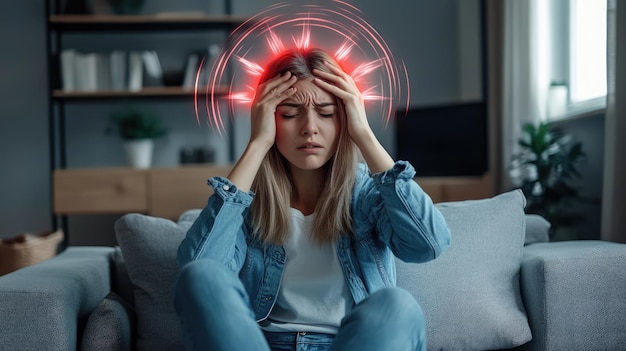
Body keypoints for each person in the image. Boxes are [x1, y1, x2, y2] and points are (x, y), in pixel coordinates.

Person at [174, 48, 451, 351]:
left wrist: (363, 133)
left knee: (397, 304)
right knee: (201, 275)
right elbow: (199, 267)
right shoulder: (250, 202)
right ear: (269, 118)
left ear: (344, 119)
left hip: (350, 344)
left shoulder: (369, 195)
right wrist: (257, 143)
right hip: (263, 344)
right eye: (290, 114)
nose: (309, 128)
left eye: (327, 113)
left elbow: (429, 244)